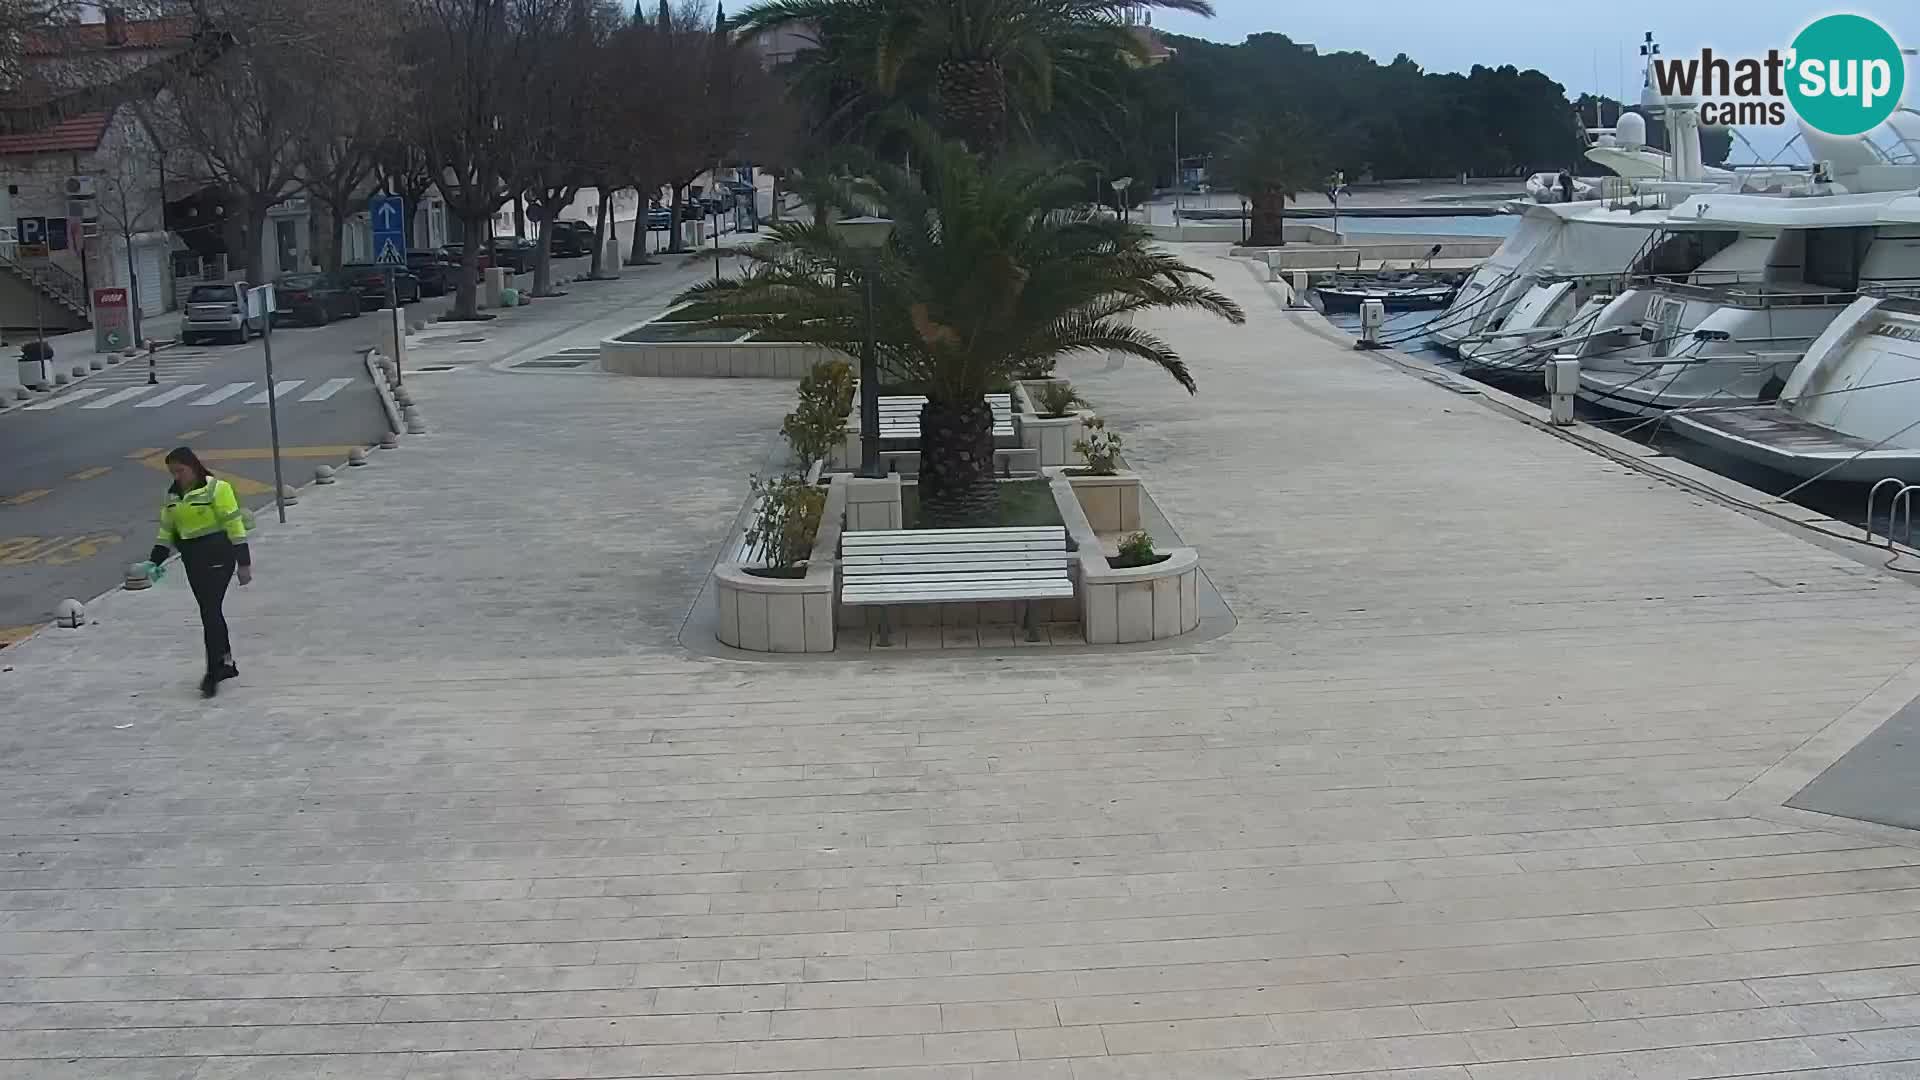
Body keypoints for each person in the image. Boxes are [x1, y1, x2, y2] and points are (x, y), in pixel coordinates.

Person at [146, 447, 252, 697]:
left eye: (181, 470)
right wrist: (154, 562)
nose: (177, 476)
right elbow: (166, 532)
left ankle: (213, 672)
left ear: (193, 466)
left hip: (218, 555)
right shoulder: (172, 496)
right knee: (211, 610)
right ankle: (225, 662)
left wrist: (244, 563)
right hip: (192, 560)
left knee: (210, 610)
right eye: (173, 472)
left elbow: (234, 525)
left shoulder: (218, 489)